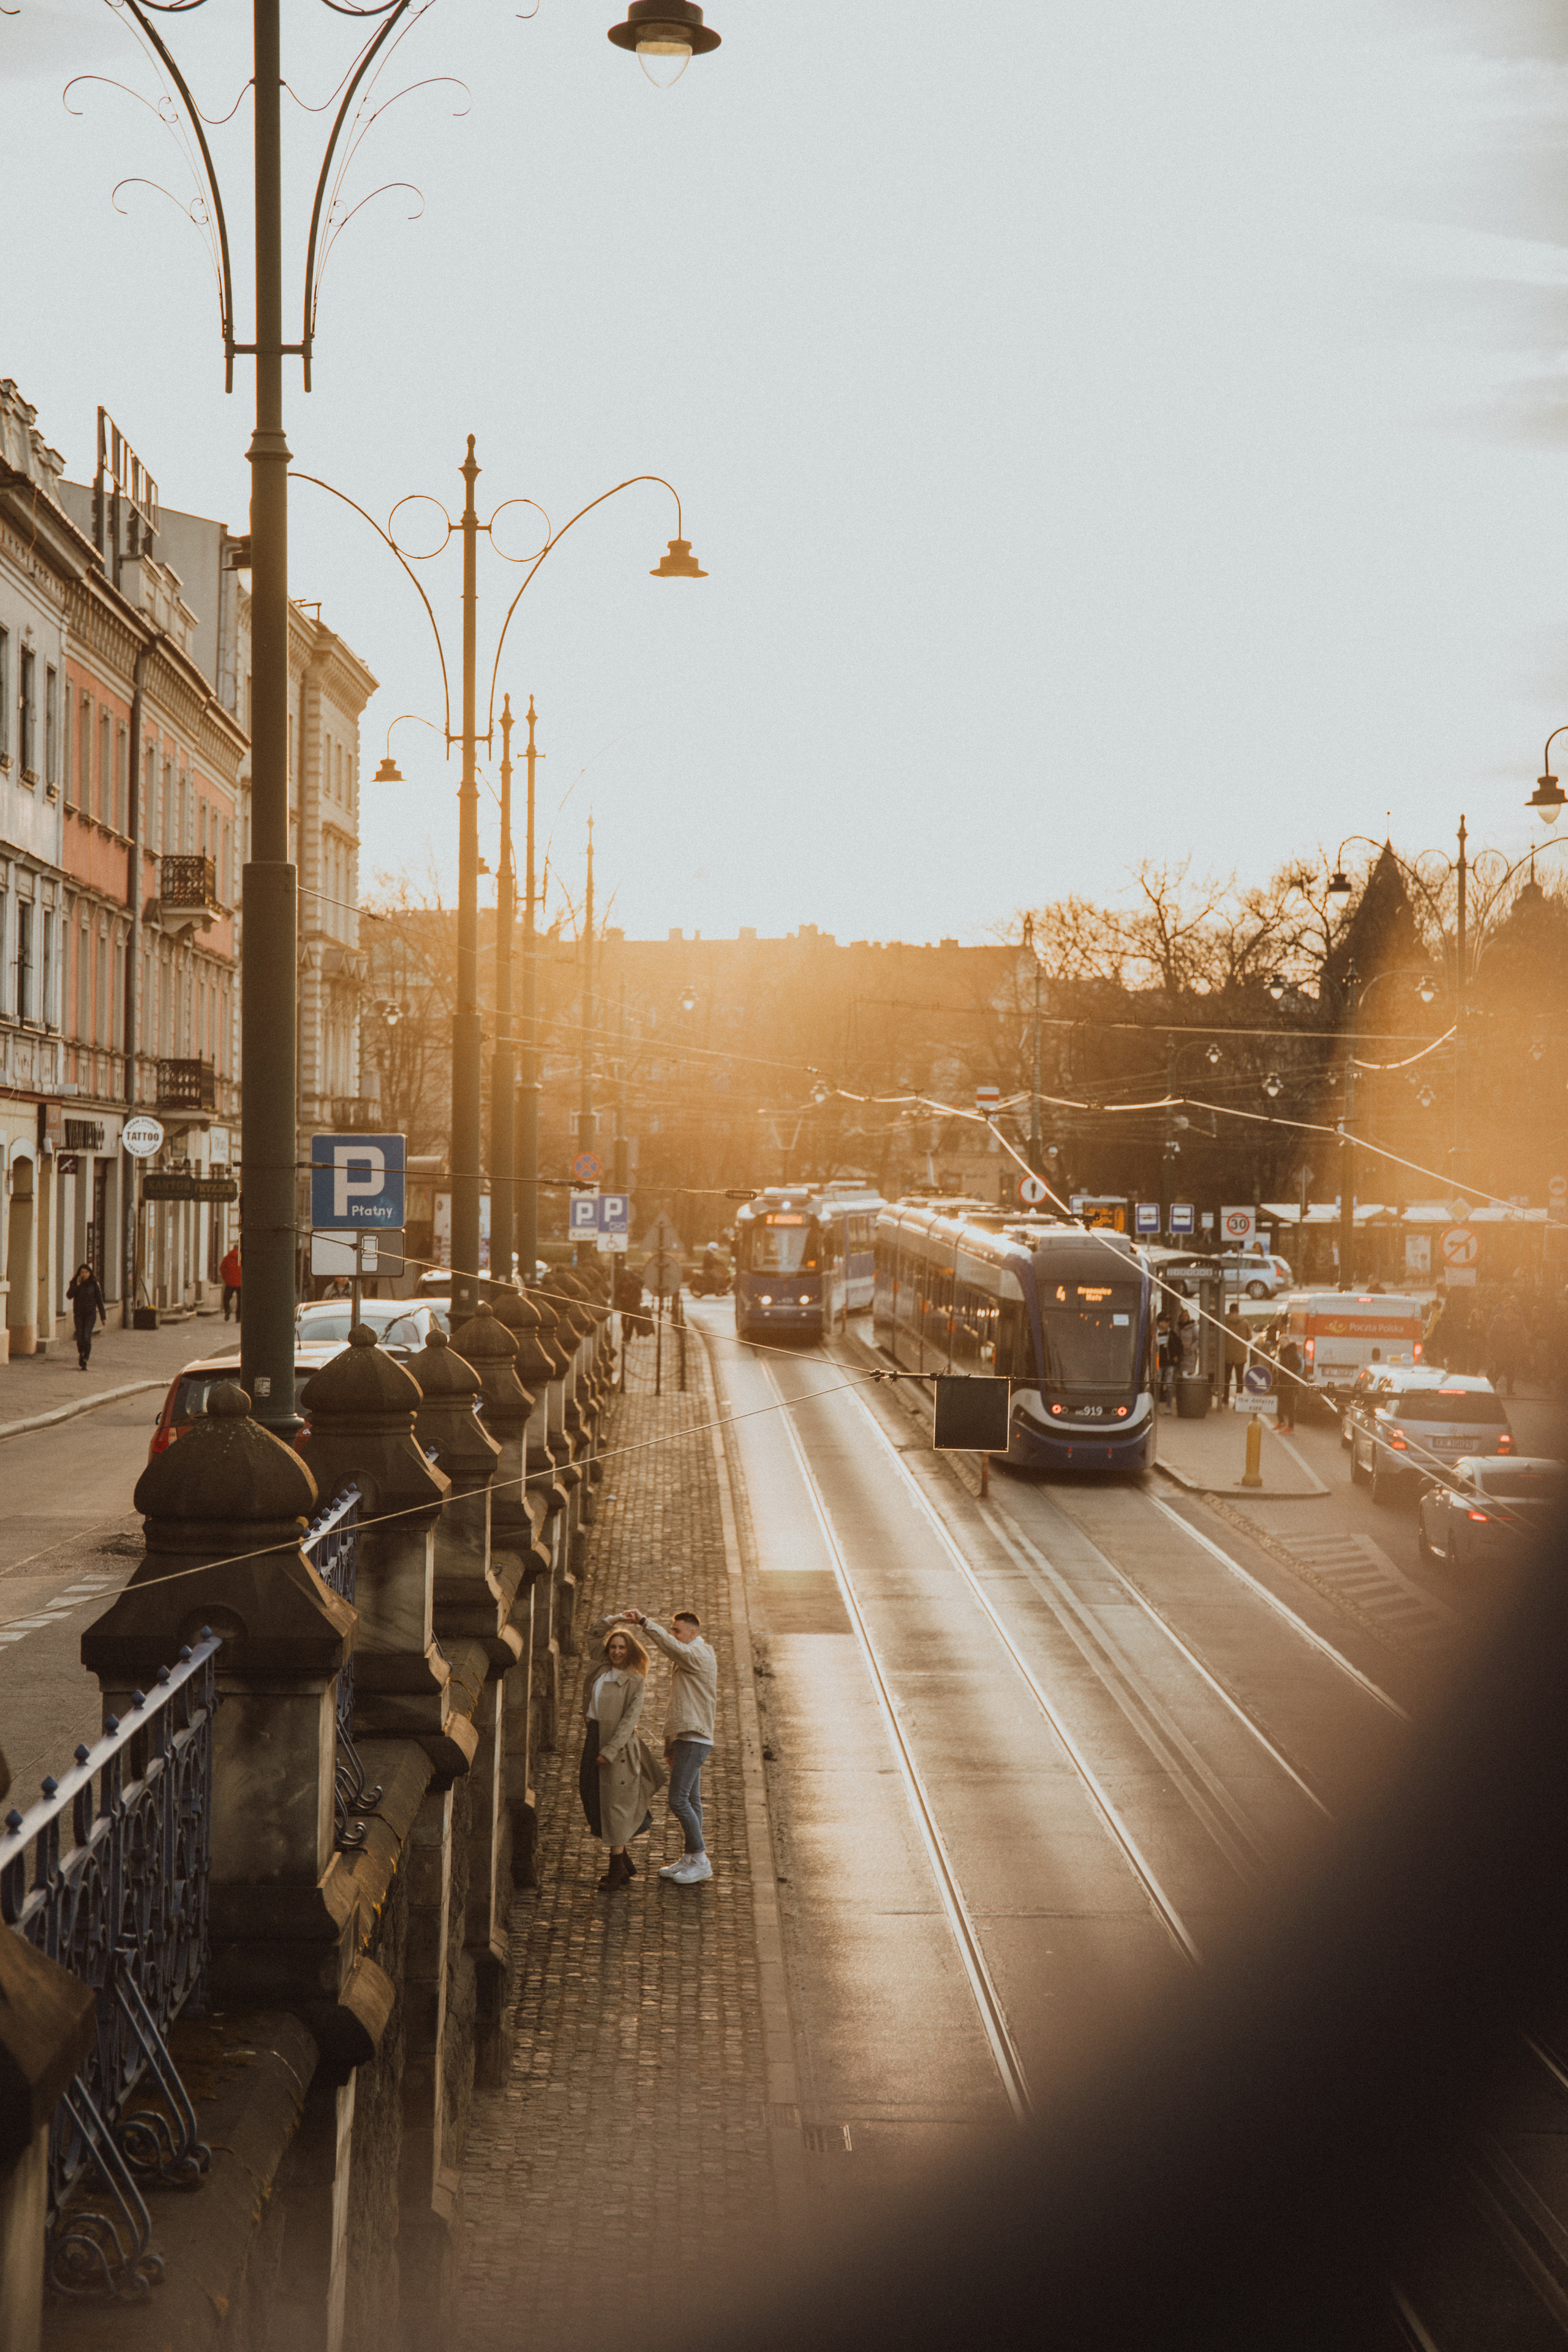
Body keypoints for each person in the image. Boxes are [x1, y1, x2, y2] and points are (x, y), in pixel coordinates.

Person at [617, 1604, 718, 1885]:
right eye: (671, 1630)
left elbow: (672, 1649)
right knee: (692, 1801)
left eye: (677, 1631)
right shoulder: (691, 1656)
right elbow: (679, 1707)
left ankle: (701, 1859)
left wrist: (645, 1623)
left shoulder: (698, 1654)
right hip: (687, 1738)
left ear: (692, 1633)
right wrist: (670, 1747)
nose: (673, 1635)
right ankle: (690, 1856)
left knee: (678, 1800)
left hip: (694, 1738)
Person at [578, 1624, 665, 1892]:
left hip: (619, 1749)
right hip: (594, 1737)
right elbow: (592, 1633)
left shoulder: (635, 1681)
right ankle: (624, 1863)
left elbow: (629, 1722)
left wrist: (610, 1751)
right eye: (613, 1647)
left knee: (614, 1807)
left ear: (631, 1651)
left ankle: (616, 1871)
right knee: (591, 1794)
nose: (616, 1652)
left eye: (622, 1647)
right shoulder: (601, 1667)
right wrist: (617, 1620)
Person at [66, 1262, 106, 1371]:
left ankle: (86, 1357)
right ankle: (82, 1353)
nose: (84, 1274)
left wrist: (103, 1317)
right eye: (82, 1272)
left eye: (86, 1272)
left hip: (90, 1315)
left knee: (86, 1336)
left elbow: (99, 1301)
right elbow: (69, 1296)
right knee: (80, 1337)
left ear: (90, 1273)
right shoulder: (75, 1283)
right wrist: (76, 1285)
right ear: (79, 1273)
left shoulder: (94, 1284)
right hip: (79, 1314)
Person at [1273, 1332, 1306, 1432]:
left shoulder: (1291, 1351)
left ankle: (1291, 1426)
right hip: (1282, 1381)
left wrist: (1288, 1371)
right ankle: (1281, 1422)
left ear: (1288, 1341)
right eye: (1280, 1342)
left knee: (1289, 1404)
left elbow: (1297, 1365)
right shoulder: (1282, 1351)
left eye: (1284, 1341)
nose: (1282, 1343)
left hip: (1290, 1382)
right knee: (1280, 1402)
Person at [221, 1242, 242, 1324]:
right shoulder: (242, 1258)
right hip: (240, 1283)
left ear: (233, 1248)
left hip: (229, 1282)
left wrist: (226, 1278)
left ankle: (228, 1310)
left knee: (226, 1299)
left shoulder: (227, 1258)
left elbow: (222, 1269)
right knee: (240, 1301)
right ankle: (238, 1318)